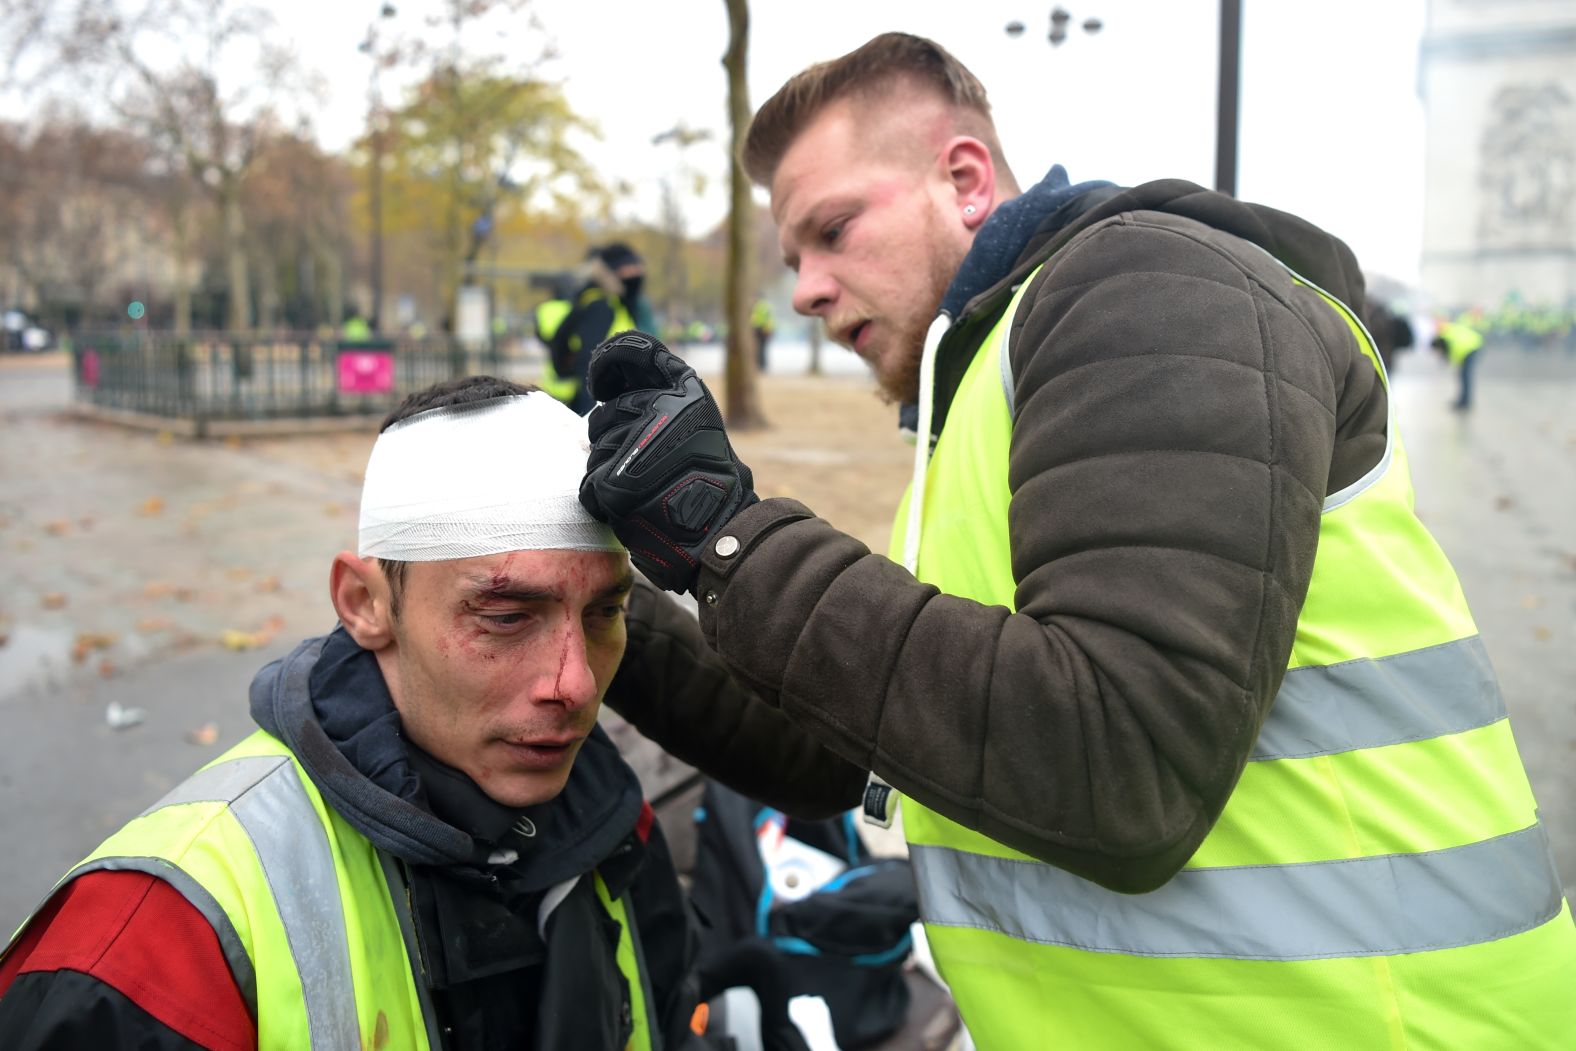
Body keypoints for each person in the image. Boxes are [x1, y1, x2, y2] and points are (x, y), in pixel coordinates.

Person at [577, 32, 1576, 1050]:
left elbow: (1118, 760)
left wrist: (732, 538)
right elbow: (860, 745)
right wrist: (590, 606)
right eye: (792, 259)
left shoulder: (1151, 288)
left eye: (833, 231)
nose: (804, 289)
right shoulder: (981, 391)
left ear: (965, 179)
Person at [0, 376, 864, 1049]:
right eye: (504, 616)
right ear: (364, 601)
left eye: (604, 613)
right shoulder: (152, 944)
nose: (571, 681)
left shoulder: (610, 823)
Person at [551, 243, 654, 414]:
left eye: (638, 267)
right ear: (611, 273)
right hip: (597, 407)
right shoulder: (602, 306)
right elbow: (589, 364)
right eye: (629, 267)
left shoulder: (613, 302)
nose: (636, 273)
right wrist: (592, 419)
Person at [1432, 314, 1484, 410]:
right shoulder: (1447, 331)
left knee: (1465, 376)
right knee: (1462, 376)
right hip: (1470, 347)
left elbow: (1449, 354)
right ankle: (1463, 400)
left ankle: (1465, 402)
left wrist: (1445, 360)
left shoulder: (1445, 336)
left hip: (1471, 348)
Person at [751, 295, 776, 371]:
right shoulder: (767, 306)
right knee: (763, 349)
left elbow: (754, 319)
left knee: (759, 349)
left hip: (759, 329)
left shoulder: (756, 306)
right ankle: (763, 365)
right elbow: (770, 319)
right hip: (765, 330)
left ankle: (760, 365)